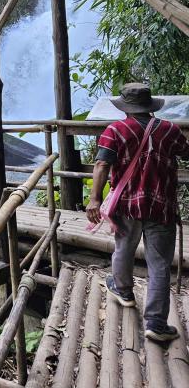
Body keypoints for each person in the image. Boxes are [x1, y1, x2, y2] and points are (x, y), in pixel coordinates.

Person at [86, 83, 189, 342]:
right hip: (161, 204)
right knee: (160, 263)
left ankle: (124, 292)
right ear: (150, 105)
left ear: (126, 107)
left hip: (127, 204)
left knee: (124, 247)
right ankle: (155, 322)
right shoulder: (169, 130)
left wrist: (95, 199)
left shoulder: (115, 131)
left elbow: (101, 164)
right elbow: (186, 151)